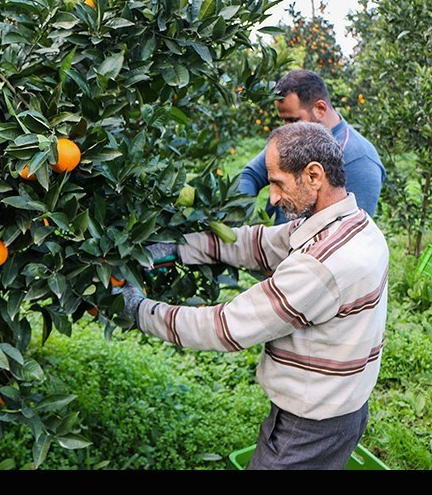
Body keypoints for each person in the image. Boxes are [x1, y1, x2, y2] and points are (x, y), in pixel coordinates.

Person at [121, 122, 389, 470]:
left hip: (308, 427)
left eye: (277, 182)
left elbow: (226, 328)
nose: (273, 197)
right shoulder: (355, 225)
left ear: (313, 175)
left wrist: (139, 310)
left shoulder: (319, 266)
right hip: (344, 408)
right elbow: (259, 243)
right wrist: (177, 248)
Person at [240, 69, 386, 224]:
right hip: (278, 242)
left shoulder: (360, 160)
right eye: (283, 120)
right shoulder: (292, 138)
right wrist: (236, 214)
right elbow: (251, 175)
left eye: (293, 120)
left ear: (320, 109)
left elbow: (350, 229)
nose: (286, 128)